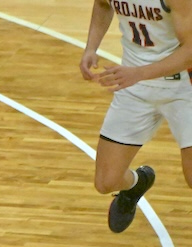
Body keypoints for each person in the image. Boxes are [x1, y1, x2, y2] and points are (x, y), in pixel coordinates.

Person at [80, 0, 192, 233]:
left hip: (183, 88)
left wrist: (139, 74)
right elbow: (102, 4)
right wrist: (91, 47)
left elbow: (190, 52)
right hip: (134, 85)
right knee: (105, 182)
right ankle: (138, 183)